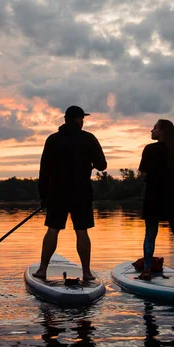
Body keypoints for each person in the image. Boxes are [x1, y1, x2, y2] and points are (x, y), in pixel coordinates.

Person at [32, 105, 107, 281]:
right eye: (82, 119)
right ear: (77, 119)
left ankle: (43, 270)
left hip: (57, 193)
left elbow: (44, 172)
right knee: (82, 230)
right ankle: (86, 273)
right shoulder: (88, 139)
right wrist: (90, 161)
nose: (83, 122)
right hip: (81, 193)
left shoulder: (52, 140)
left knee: (53, 229)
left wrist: (43, 196)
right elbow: (102, 165)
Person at [137, 119, 174, 281]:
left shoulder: (150, 149)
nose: (151, 131)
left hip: (153, 197)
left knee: (150, 235)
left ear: (162, 131)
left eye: (154, 128)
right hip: (173, 199)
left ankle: (147, 269)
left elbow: (144, 174)